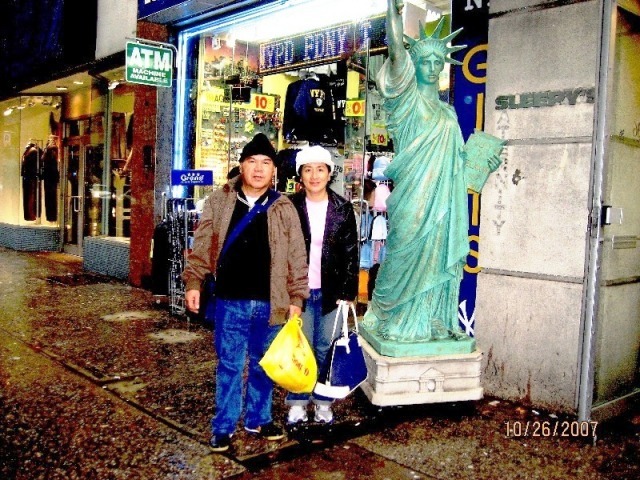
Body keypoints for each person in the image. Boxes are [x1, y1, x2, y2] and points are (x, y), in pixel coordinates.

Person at [362, 0, 501, 344]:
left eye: (437, 61)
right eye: (424, 60)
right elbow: (397, 53)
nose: (431, 65)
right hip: (412, 198)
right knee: (400, 256)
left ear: (443, 66)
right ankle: (387, 315)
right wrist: (393, 15)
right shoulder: (405, 100)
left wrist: (481, 166)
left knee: (439, 262)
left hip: (444, 203)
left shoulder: (449, 113)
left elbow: (457, 165)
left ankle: (431, 322)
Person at [182, 132, 309, 452]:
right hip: (230, 301)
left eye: (266, 163)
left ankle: (258, 418)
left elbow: (297, 256)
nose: (258, 169)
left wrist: (297, 299)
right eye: (252, 162)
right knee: (229, 365)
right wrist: (194, 282)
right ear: (241, 166)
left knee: (265, 365)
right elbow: (202, 245)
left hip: (272, 303)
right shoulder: (220, 200)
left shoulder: (283, 207)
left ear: (274, 171)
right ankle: (223, 425)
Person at [285, 146, 359, 424]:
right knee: (298, 348)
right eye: (307, 169)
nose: (314, 175)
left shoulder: (342, 209)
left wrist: (348, 291)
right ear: (300, 176)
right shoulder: (289, 206)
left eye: (320, 169)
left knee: (326, 348)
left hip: (331, 293)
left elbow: (351, 252)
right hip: (299, 293)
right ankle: (297, 401)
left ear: (329, 173)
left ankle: (323, 401)